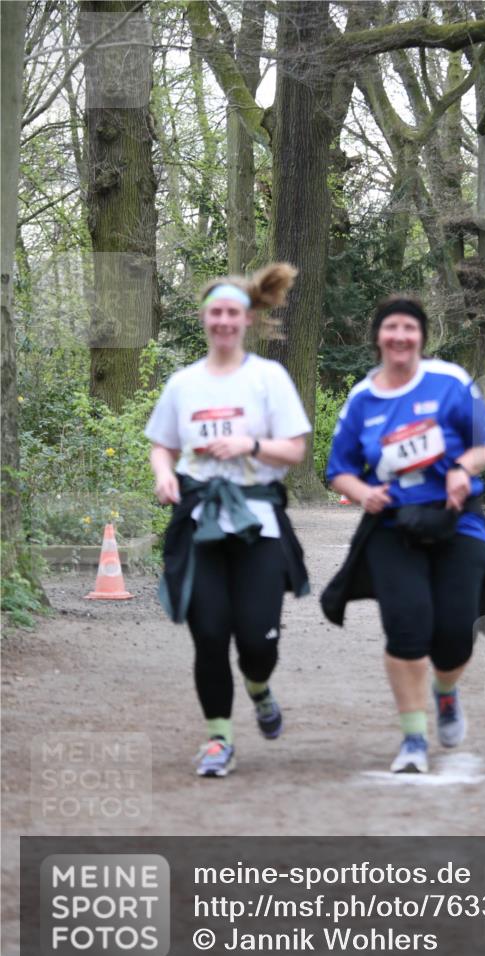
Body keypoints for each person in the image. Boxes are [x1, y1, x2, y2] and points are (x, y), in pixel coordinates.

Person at [324, 294, 485, 775]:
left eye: (410, 328)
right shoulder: (362, 398)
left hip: (458, 518)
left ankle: (446, 692)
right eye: (391, 328)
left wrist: (461, 469)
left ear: (422, 338)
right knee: (408, 629)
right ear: (378, 338)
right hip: (393, 526)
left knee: (455, 634)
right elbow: (339, 470)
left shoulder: (450, 382)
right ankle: (413, 737)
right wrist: (364, 492)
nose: (400, 336)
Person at [145, 264, 311, 778]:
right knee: (210, 635)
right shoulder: (183, 383)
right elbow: (162, 444)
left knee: (258, 642)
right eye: (215, 312)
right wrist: (164, 476)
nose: (223, 320)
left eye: (232, 313)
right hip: (200, 522)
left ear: (247, 319)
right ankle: (219, 738)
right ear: (204, 318)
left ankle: (259, 688)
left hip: (257, 522)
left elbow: (296, 451)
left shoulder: (268, 379)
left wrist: (249, 444)